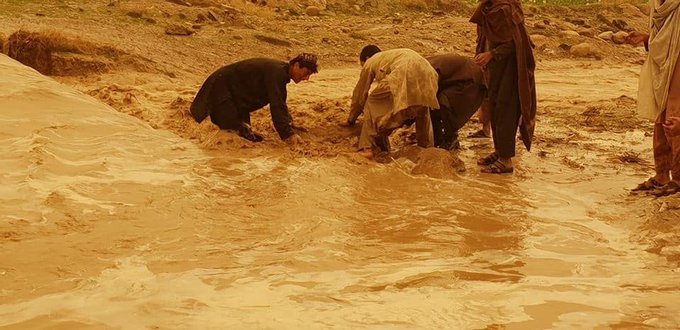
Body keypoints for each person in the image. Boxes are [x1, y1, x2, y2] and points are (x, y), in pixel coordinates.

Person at [189, 53, 318, 145]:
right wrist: (288, 135)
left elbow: (280, 101)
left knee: (247, 137)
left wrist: (289, 124)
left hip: (235, 94)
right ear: (296, 65)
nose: (306, 78)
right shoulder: (277, 73)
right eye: (306, 73)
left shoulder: (280, 73)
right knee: (230, 135)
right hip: (221, 89)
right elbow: (276, 105)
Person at [470, 0, 536, 174]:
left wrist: (491, 55)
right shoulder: (488, 9)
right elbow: (486, 38)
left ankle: (506, 160)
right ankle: (500, 152)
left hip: (511, 70)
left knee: (506, 111)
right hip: (495, 69)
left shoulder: (505, 10)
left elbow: (516, 44)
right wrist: (483, 56)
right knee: (496, 109)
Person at [345, 45, 439, 159]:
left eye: (362, 64)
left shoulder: (370, 62)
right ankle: (427, 150)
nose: (363, 67)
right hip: (430, 73)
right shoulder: (391, 56)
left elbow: (360, 94)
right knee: (422, 109)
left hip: (404, 69)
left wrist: (351, 119)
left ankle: (366, 148)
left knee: (371, 102)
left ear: (367, 57)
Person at [626, 0, 680, 196]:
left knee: (675, 116)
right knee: (662, 116)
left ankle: (679, 179)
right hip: (663, 66)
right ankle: (662, 175)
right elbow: (663, 35)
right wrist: (646, 38)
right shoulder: (657, 5)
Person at [426, 53, 488, 150]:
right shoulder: (420, 67)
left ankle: (450, 138)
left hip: (470, 79)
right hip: (456, 77)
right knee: (433, 105)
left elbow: (424, 100)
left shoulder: (422, 73)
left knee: (443, 103)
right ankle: (437, 138)